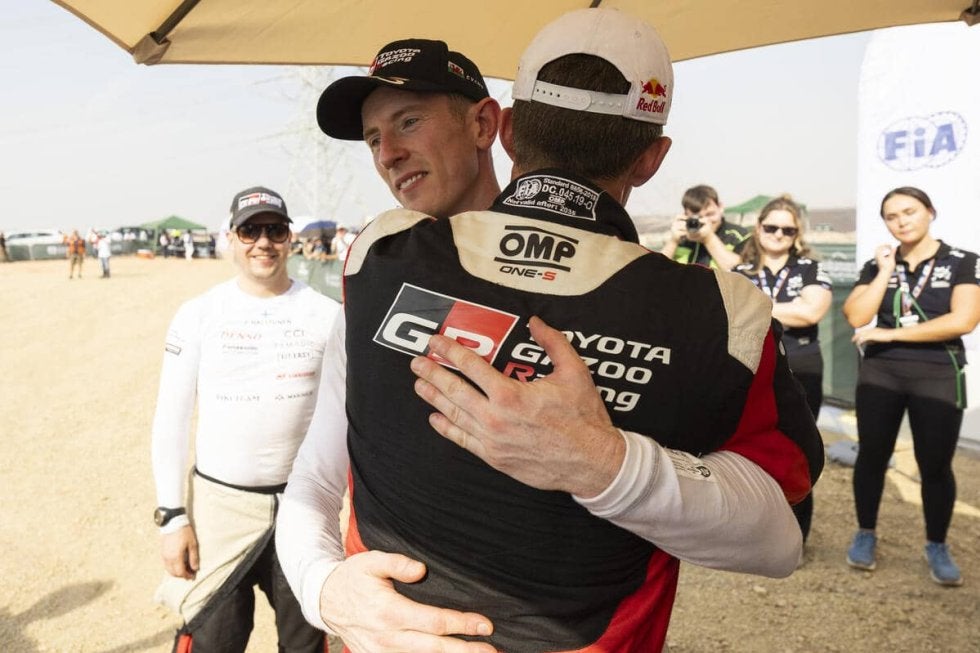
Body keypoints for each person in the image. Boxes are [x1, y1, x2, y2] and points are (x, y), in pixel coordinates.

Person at [277, 10, 823, 653]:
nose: (387, 153)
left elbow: (777, 539)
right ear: (651, 159)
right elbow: (317, 473)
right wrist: (324, 591)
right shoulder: (718, 312)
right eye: (373, 138)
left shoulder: (377, 256)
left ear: (499, 128)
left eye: (410, 121)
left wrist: (601, 462)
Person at [150, 185, 340, 652]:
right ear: (232, 238)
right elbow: (171, 419)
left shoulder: (328, 315)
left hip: (302, 508)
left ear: (290, 237)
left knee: (305, 645)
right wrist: (172, 518)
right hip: (221, 511)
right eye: (250, 231)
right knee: (213, 640)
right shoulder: (199, 314)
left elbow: (349, 416)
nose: (263, 242)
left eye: (274, 230)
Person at [842, 186, 980, 587]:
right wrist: (886, 271)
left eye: (909, 211)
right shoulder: (878, 265)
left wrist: (888, 334)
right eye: (891, 216)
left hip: (938, 371)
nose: (901, 221)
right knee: (871, 456)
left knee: (934, 464)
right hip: (882, 373)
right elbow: (856, 316)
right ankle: (865, 532)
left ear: (930, 212)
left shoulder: (962, 261)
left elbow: (963, 320)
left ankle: (936, 544)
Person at [735, 195, 832, 547]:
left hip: (801, 365)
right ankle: (753, 532)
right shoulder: (739, 272)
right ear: (758, 228)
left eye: (787, 230)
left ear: (797, 234)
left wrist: (754, 304)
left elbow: (811, 313)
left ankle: (795, 537)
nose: (778, 234)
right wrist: (788, 307)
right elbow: (729, 315)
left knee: (799, 452)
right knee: (746, 449)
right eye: (771, 227)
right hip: (751, 365)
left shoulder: (811, 268)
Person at [660, 184, 750, 269]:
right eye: (698, 217)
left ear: (720, 207)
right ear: (685, 215)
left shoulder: (739, 235)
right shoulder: (681, 237)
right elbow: (656, 271)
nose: (705, 221)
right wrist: (673, 242)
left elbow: (741, 271)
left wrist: (709, 239)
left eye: (710, 214)